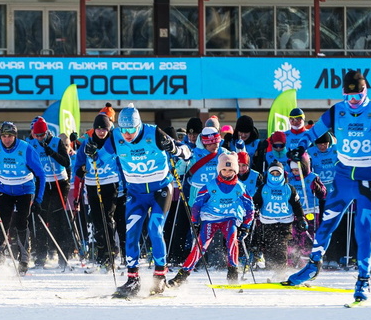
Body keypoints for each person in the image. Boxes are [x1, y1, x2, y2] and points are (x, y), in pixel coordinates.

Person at [285, 70, 371, 303]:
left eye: (358, 96)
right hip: (344, 176)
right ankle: (313, 266)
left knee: (362, 231)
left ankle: (363, 280)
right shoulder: (337, 111)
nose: (353, 101)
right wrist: (300, 147)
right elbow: (313, 133)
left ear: (365, 92)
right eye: (349, 96)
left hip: (369, 178)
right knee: (327, 223)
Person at [108, 104, 191, 297]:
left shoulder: (154, 133)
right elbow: (99, 153)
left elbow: (187, 153)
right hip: (136, 193)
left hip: (160, 191)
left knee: (155, 228)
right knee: (131, 233)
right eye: (124, 130)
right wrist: (90, 148)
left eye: (131, 129)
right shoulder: (116, 136)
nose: (127, 134)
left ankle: (160, 276)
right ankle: (132, 279)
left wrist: (174, 149)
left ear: (139, 125)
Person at [170, 152, 253, 286]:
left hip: (229, 218)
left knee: (232, 240)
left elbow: (250, 207)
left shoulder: (240, 187)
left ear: (235, 171)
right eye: (224, 170)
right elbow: (197, 204)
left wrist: (246, 226)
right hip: (210, 218)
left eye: (230, 170)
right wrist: (195, 221)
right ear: (219, 170)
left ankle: (233, 273)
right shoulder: (210, 185)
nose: (227, 173)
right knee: (201, 246)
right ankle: (182, 275)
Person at [0, 121, 45, 275]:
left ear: (15, 136)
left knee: (21, 222)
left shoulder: (26, 148)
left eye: (10, 136)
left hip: (24, 189)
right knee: (3, 223)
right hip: (5, 189)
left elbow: (40, 174)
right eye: (4, 136)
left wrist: (38, 199)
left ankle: (24, 259)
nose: (7, 139)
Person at [74, 114, 124, 270]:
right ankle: (101, 253)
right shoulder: (87, 143)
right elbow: (78, 165)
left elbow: (122, 161)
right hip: (93, 184)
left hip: (110, 183)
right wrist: (81, 170)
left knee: (107, 217)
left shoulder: (113, 142)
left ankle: (110, 253)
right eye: (98, 129)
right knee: (96, 220)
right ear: (94, 129)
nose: (101, 132)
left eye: (104, 129)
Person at [28, 117, 74, 269]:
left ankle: (63, 258)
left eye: (42, 135)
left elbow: (66, 162)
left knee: (56, 220)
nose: (40, 138)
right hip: (42, 183)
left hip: (59, 183)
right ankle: (40, 259)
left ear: (47, 132)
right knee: (41, 220)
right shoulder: (32, 144)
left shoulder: (56, 142)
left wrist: (52, 153)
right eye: (37, 135)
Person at [252, 161, 305, 273]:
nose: (275, 176)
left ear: (282, 174)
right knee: (269, 245)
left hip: (285, 221)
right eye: (272, 173)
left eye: (278, 173)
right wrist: (255, 208)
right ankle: (271, 267)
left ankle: (281, 271)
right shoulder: (263, 188)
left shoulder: (289, 188)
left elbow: (297, 205)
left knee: (281, 246)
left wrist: (301, 218)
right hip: (267, 221)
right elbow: (256, 201)